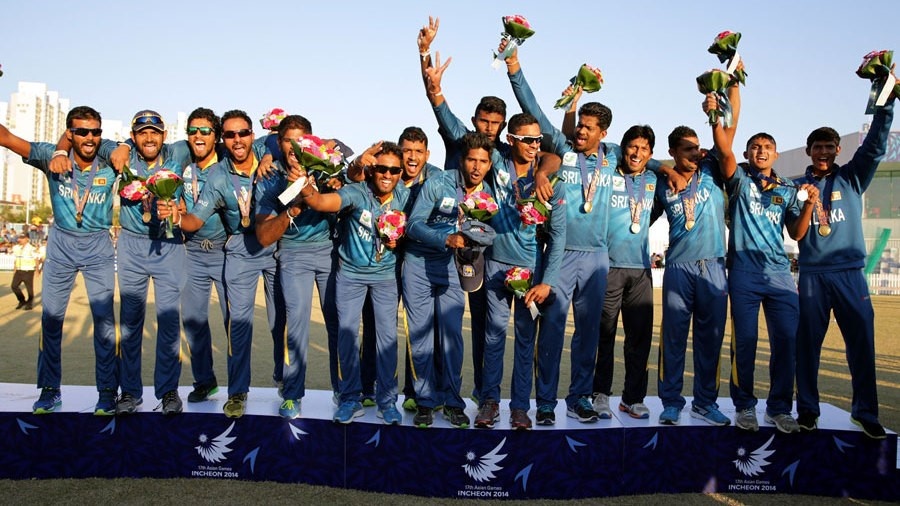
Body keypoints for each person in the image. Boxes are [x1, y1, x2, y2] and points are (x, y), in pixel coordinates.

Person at [503, 46, 676, 424]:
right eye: (579, 123)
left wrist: (669, 169)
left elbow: (645, 156)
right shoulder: (560, 148)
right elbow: (530, 105)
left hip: (599, 258)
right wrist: (514, 67)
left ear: (603, 133)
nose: (581, 130)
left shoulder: (614, 156)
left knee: (589, 336)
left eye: (589, 127)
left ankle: (578, 398)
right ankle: (545, 402)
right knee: (550, 331)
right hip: (561, 254)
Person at [705, 83, 817, 433]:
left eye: (767, 147)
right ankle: (745, 406)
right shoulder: (738, 180)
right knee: (746, 343)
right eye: (755, 147)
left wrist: (811, 204)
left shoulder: (786, 188)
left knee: (786, 341)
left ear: (776, 154)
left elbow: (797, 234)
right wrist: (715, 117)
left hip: (781, 275)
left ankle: (780, 408)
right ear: (749, 153)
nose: (761, 151)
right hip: (743, 274)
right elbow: (724, 151)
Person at [161, 109, 285, 419]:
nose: (237, 139)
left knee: (279, 321)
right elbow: (196, 219)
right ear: (224, 139)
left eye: (243, 133)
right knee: (239, 326)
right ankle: (238, 393)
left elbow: (293, 139)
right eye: (230, 135)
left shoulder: (270, 154)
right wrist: (177, 217)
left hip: (274, 246)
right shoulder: (217, 176)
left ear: (252, 135)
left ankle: (286, 383)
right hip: (241, 248)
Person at [791, 85, 896, 440]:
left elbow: (875, 147)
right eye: (817, 147)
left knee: (862, 344)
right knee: (806, 346)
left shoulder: (851, 177)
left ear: (838, 150)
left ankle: (865, 413)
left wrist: (885, 105)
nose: (822, 152)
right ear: (808, 151)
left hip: (850, 273)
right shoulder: (796, 186)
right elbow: (794, 229)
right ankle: (807, 410)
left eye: (828, 147)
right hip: (812, 276)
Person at [0, 106, 118, 415]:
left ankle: (107, 391)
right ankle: (50, 390)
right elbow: (6, 137)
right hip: (62, 245)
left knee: (105, 323)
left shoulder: (109, 161)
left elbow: (130, 151)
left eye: (95, 132)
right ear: (69, 133)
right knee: (51, 320)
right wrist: (58, 150)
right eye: (81, 131)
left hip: (98, 246)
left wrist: (123, 147)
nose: (89, 138)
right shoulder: (50, 155)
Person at [418, 16, 507, 403]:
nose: (488, 129)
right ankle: (421, 391)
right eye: (484, 121)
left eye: (495, 124)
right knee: (433, 325)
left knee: (484, 327)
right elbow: (441, 108)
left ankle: (482, 395)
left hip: (481, 252)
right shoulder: (462, 141)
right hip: (444, 245)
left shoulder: (501, 157)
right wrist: (427, 69)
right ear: (474, 121)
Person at [298, 141, 409, 425]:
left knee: (387, 340)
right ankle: (349, 398)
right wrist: (306, 186)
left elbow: (416, 229)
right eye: (382, 168)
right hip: (350, 275)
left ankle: (387, 402)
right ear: (372, 169)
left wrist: (400, 238)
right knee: (347, 338)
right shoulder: (356, 192)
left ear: (399, 173)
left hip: (385, 277)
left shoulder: (405, 197)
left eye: (394, 170)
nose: (387, 174)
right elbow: (323, 202)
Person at [474, 114, 566, 431]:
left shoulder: (551, 179)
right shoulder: (497, 161)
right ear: (511, 140)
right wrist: (437, 96)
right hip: (496, 267)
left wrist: (547, 282)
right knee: (493, 338)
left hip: (530, 272)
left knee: (526, 342)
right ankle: (488, 403)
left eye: (538, 140)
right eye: (527, 139)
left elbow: (558, 238)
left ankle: (519, 408)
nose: (534, 145)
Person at [403, 131, 493, 428]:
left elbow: (489, 231)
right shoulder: (439, 182)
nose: (476, 166)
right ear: (462, 160)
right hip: (419, 265)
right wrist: (446, 238)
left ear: (489, 164)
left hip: (453, 271)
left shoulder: (487, 196)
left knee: (452, 338)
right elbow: (413, 224)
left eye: (482, 161)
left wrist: (475, 238)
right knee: (421, 338)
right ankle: (426, 403)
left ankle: (454, 402)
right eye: (471, 159)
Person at [255, 114, 340, 419]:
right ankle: (292, 393)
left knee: (337, 323)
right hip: (292, 254)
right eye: (287, 141)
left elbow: (351, 170)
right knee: (295, 325)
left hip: (328, 253)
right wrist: (292, 208)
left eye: (300, 140)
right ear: (279, 143)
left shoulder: (326, 167)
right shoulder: (269, 176)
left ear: (311, 142)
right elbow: (264, 235)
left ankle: (344, 390)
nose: (293, 147)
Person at [113, 110, 191, 416]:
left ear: (163, 135)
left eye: (154, 132)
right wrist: (120, 144)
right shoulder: (121, 153)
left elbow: (211, 140)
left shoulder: (178, 152)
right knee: (130, 323)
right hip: (132, 245)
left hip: (169, 244)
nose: (149, 138)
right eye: (142, 132)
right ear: (133, 137)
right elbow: (90, 141)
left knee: (169, 323)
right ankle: (130, 393)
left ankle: (169, 391)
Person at [653, 123, 730, 426]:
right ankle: (671, 403)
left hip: (713, 266)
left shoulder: (710, 170)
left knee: (710, 340)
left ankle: (705, 403)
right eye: (687, 148)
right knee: (673, 339)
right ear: (672, 152)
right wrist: (665, 170)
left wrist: (718, 107)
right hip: (678, 268)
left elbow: (727, 138)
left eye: (697, 147)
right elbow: (639, 160)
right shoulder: (662, 183)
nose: (696, 153)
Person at [592, 125, 661, 420]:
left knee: (639, 338)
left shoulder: (654, 180)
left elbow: (651, 213)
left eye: (645, 149)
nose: (637, 153)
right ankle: (599, 395)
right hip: (608, 266)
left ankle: (632, 398)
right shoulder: (608, 174)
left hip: (641, 270)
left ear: (651, 154)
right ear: (624, 148)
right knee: (603, 335)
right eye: (633, 146)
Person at [179, 108, 229, 404]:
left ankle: (238, 386)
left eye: (206, 131)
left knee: (234, 322)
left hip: (225, 251)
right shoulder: (182, 165)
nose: (199, 136)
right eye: (193, 131)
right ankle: (204, 381)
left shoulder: (227, 165)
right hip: (193, 252)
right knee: (194, 320)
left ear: (216, 135)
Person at [11, 233, 38, 310]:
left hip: (28, 270)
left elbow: (36, 258)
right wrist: (15, 269)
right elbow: (16, 259)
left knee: (29, 288)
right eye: (19, 238)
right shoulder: (16, 248)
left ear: (27, 239)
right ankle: (22, 300)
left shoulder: (31, 248)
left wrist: (37, 270)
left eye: (22, 238)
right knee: (14, 286)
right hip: (19, 270)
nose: (20, 239)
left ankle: (29, 303)